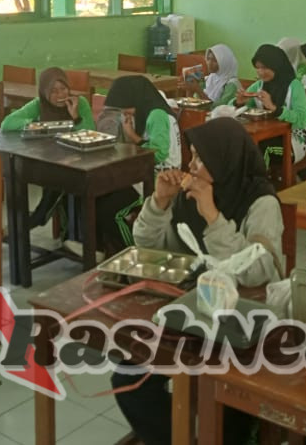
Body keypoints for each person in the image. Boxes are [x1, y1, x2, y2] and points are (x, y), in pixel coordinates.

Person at [112, 118, 283, 445]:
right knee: (129, 380)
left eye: (200, 159)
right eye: (190, 156)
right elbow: (150, 248)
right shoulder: (187, 197)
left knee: (225, 404)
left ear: (224, 161)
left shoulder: (261, 202)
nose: (190, 166)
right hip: (192, 314)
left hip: (242, 326)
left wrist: (213, 217)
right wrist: (159, 202)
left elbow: (261, 270)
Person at [1, 68, 95, 227]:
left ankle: (40, 216)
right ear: (44, 92)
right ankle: (41, 217)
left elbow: (90, 132)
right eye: (53, 91)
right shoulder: (39, 104)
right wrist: (36, 123)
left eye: (63, 89)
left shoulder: (80, 103)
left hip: (80, 161)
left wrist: (75, 117)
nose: (60, 95)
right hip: (51, 159)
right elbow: (7, 124)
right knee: (50, 174)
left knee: (63, 175)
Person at [101, 75, 182, 250]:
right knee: (100, 197)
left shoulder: (157, 115)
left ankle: (135, 253)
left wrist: (132, 136)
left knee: (111, 212)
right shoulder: (147, 111)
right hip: (145, 175)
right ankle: (105, 249)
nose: (124, 113)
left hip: (159, 180)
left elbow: (158, 153)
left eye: (125, 108)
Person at [232, 44, 306, 163]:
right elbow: (232, 106)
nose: (260, 72)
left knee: (261, 149)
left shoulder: (294, 86)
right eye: (257, 68)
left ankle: (260, 181)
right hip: (266, 135)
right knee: (238, 144)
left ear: (276, 66)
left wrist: (274, 108)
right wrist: (239, 103)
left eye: (265, 67)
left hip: (292, 141)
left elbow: (302, 119)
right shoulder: (259, 85)